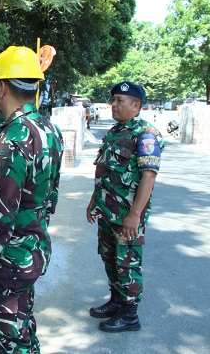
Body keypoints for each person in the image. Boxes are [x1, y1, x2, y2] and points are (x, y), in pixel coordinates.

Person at [0, 46, 64, 353]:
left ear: (2, 87)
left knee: (4, 337)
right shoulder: (47, 128)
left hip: (8, 261)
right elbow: (50, 195)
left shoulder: (13, 140)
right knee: (22, 327)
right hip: (32, 249)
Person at [86, 81, 163, 332]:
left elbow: (148, 177)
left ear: (136, 105)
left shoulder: (146, 135)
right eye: (114, 99)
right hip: (107, 212)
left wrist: (134, 215)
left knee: (127, 263)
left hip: (126, 216)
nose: (114, 104)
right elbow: (105, 171)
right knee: (110, 259)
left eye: (120, 100)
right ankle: (117, 301)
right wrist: (92, 202)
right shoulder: (115, 132)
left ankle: (130, 314)